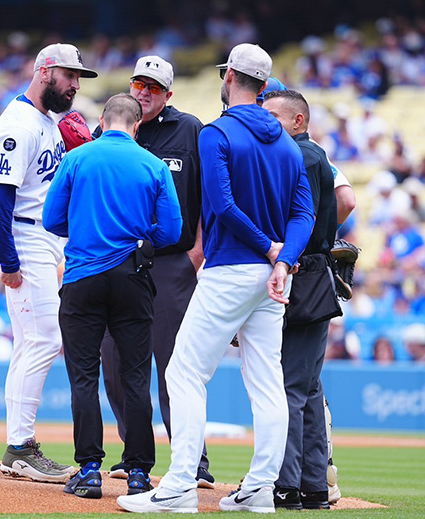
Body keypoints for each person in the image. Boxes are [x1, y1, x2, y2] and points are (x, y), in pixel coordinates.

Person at [118, 43, 314, 513]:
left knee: (183, 372)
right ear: (265, 88)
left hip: (231, 268)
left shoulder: (216, 133)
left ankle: (180, 486)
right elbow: (303, 213)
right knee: (267, 382)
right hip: (272, 276)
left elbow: (222, 205)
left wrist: (269, 250)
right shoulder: (288, 144)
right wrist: (283, 260)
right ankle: (261, 489)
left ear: (228, 78)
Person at [43, 93, 182, 500]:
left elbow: (52, 219)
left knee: (83, 378)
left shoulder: (78, 158)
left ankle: (88, 470)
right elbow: (172, 232)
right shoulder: (153, 165)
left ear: (102, 120)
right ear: (137, 126)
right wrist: (140, 239)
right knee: (136, 377)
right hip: (132, 277)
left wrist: (88, 228)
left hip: (83, 276)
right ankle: (138, 472)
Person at [98, 55, 214, 488]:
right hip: (117, 260)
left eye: (152, 87)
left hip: (170, 263)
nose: (142, 92)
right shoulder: (112, 127)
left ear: (168, 94)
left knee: (175, 364)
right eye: (137, 84)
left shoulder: (190, 129)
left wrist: (197, 251)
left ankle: (195, 462)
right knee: (116, 363)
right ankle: (135, 457)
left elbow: (210, 195)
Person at [0, 43, 97, 483]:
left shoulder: (47, 121)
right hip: (24, 233)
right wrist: (9, 259)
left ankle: (19, 445)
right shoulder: (18, 123)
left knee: (31, 341)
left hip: (45, 235)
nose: (74, 85)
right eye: (69, 75)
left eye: (78, 77)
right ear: (44, 71)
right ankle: (21, 447)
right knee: (46, 339)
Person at [261, 88, 339, 511]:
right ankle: (313, 487)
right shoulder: (313, 156)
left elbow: (299, 221)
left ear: (298, 122)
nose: (267, 122)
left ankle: (285, 484)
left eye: (275, 116)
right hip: (313, 274)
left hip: (300, 273)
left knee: (290, 386)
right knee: (307, 388)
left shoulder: (302, 157)